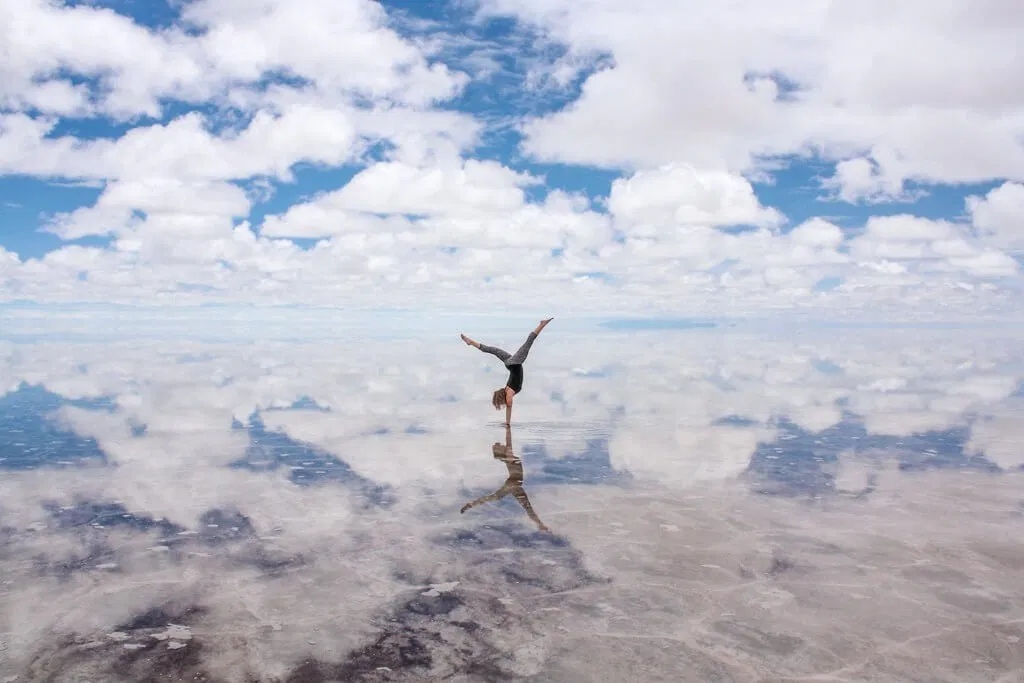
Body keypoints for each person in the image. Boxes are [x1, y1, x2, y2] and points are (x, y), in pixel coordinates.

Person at [460, 318, 553, 426]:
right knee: (492, 350)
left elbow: (509, 406)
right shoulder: (507, 389)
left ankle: (542, 324)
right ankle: (470, 342)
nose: (503, 404)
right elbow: (509, 406)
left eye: (500, 403)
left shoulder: (509, 394)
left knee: (528, 342)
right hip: (509, 363)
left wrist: (507, 423)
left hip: (515, 362)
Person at [460, 424, 550, 533]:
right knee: (525, 507)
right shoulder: (509, 456)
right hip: (514, 484)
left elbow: (507, 442)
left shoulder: (507, 457)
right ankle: (540, 524)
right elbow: (509, 440)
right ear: (501, 450)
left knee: (497, 498)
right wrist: (508, 429)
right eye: (500, 446)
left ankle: (472, 503)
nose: (502, 445)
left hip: (513, 484)